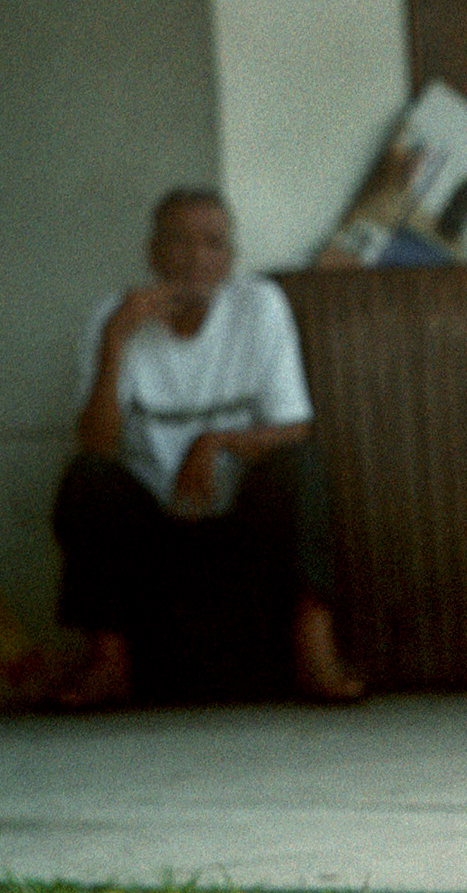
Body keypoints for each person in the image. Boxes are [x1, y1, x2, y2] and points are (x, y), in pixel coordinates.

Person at [52, 188, 364, 708]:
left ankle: (316, 654)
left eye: (214, 244)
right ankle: (109, 665)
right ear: (154, 254)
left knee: (300, 469)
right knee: (86, 480)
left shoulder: (258, 306)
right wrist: (114, 344)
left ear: (230, 259)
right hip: (154, 526)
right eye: (180, 243)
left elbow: (295, 428)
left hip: (239, 519)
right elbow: (96, 444)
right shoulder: (116, 319)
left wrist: (215, 441)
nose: (198, 259)